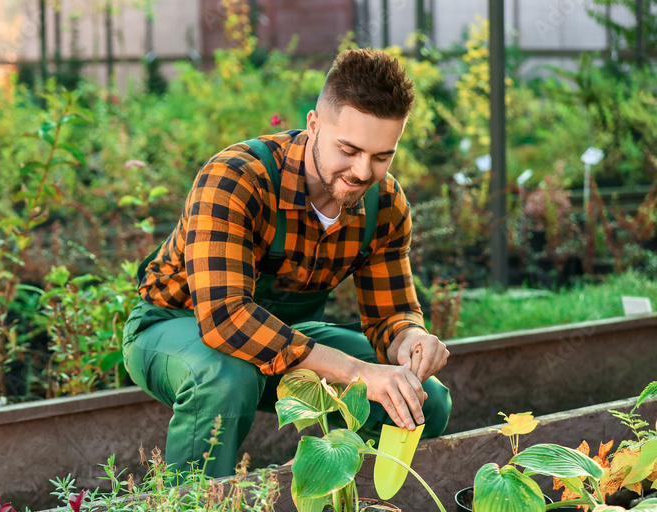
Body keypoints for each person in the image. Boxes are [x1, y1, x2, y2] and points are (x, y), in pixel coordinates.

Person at [122, 48, 451, 478]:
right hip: (178, 326)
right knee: (228, 375)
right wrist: (356, 372)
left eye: (381, 156)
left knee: (424, 396)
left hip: (288, 336)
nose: (362, 171)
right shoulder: (237, 178)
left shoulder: (384, 203)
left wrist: (410, 338)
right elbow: (226, 321)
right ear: (314, 124)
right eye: (348, 150)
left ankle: (318, 490)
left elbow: (392, 313)